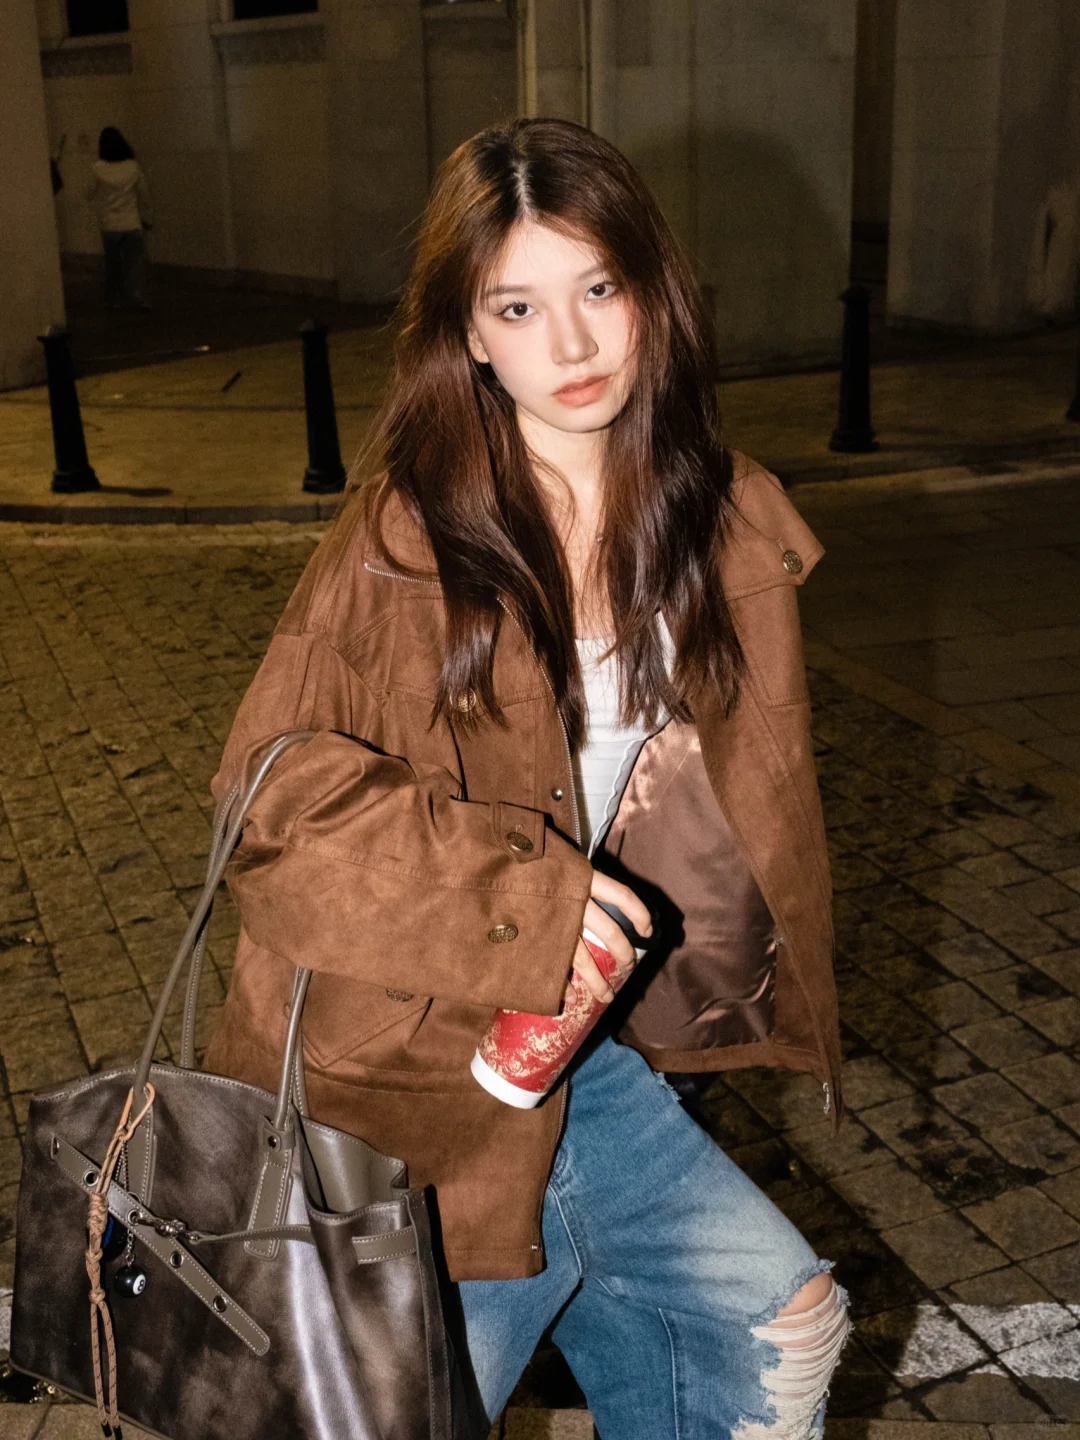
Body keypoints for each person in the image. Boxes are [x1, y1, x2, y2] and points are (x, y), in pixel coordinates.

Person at [204, 117, 849, 1438]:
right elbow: (264, 806)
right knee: (420, 1404)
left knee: (766, 1329)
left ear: (651, 293)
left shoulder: (721, 517)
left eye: (599, 288)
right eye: (518, 306)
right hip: (416, 1057)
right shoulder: (410, 540)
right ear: (472, 337)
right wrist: (527, 902)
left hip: (583, 1039)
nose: (571, 343)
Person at [86, 126, 151, 310]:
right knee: (134, 266)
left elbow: (88, 192)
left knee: (113, 265)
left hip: (110, 225)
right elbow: (144, 194)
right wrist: (148, 217)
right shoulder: (133, 167)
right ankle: (138, 299)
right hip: (132, 223)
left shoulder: (97, 168)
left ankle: (114, 300)